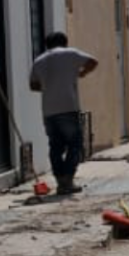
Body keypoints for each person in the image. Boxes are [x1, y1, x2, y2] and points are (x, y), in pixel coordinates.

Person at [30, 32, 98, 196]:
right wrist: (82, 73)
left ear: (47, 45)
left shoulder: (39, 61)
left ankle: (61, 181)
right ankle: (68, 179)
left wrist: (49, 87)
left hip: (49, 111)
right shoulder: (71, 54)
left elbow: (33, 86)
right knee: (75, 145)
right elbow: (93, 62)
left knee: (56, 146)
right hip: (68, 107)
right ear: (65, 43)